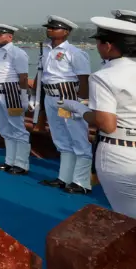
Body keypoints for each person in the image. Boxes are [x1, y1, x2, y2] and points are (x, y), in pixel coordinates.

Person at [60, 17, 136, 223]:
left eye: (99, 43)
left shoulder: (104, 76)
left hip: (122, 153)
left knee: (133, 224)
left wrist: (80, 109)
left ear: (108, 46)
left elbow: (106, 124)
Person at [28, 16, 91, 193]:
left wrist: (81, 103)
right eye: (49, 27)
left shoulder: (74, 52)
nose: (50, 30)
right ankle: (64, 178)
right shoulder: (47, 51)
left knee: (78, 138)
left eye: (54, 28)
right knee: (61, 138)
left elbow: (83, 79)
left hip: (68, 96)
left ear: (66, 32)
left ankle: (82, 182)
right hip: (51, 96)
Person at [0, 23, 31, 175]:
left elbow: (23, 77)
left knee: (18, 129)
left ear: (10, 36)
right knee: (5, 129)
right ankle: (9, 161)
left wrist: (23, 96)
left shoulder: (17, 53)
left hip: (11, 93)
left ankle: (21, 164)